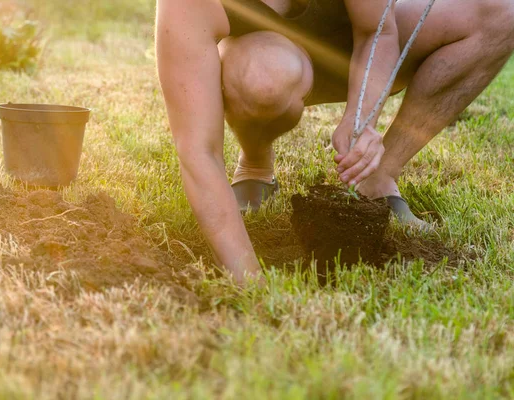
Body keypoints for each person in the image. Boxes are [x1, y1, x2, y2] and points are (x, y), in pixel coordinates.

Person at [156, 0, 514, 284]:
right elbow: (198, 151)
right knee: (265, 79)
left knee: (499, 13)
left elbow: (377, 30)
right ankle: (255, 161)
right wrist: (248, 280)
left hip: (349, 42)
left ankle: (377, 177)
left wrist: (361, 120)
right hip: (266, 58)